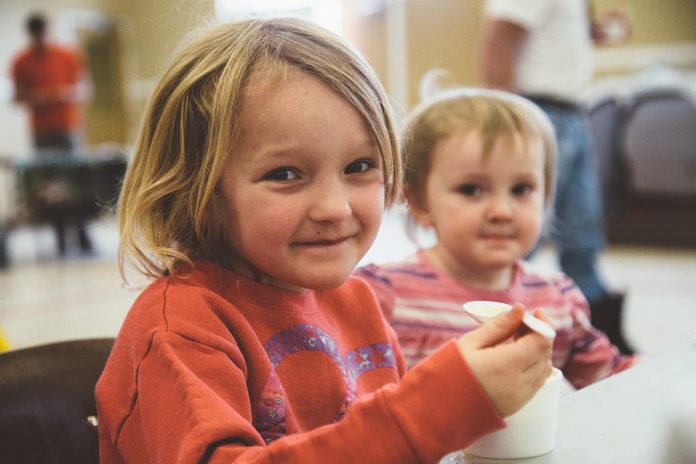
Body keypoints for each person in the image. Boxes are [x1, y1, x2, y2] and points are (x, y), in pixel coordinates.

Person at [95, 18, 554, 463]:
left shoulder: (355, 300)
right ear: (200, 191)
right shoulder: (180, 330)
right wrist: (434, 409)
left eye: (359, 167)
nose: (335, 208)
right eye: (286, 174)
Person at [357, 86, 636, 389]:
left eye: (521, 189)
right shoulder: (383, 296)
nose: (502, 212)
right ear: (420, 202)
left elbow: (614, 380)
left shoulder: (558, 300)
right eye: (472, 190)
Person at [479, 0, 635, 354]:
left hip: (574, 114)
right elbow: (499, 40)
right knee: (518, 231)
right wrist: (508, 122)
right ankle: (489, 326)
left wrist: (591, 34)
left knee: (583, 232)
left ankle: (597, 339)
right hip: (541, 112)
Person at [10, 12, 93, 255]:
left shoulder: (67, 55)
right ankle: (60, 239)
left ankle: (82, 235)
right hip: (42, 130)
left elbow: (85, 89)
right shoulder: (21, 61)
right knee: (50, 186)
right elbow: (16, 96)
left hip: (69, 127)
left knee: (77, 182)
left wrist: (66, 94)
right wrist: (37, 97)